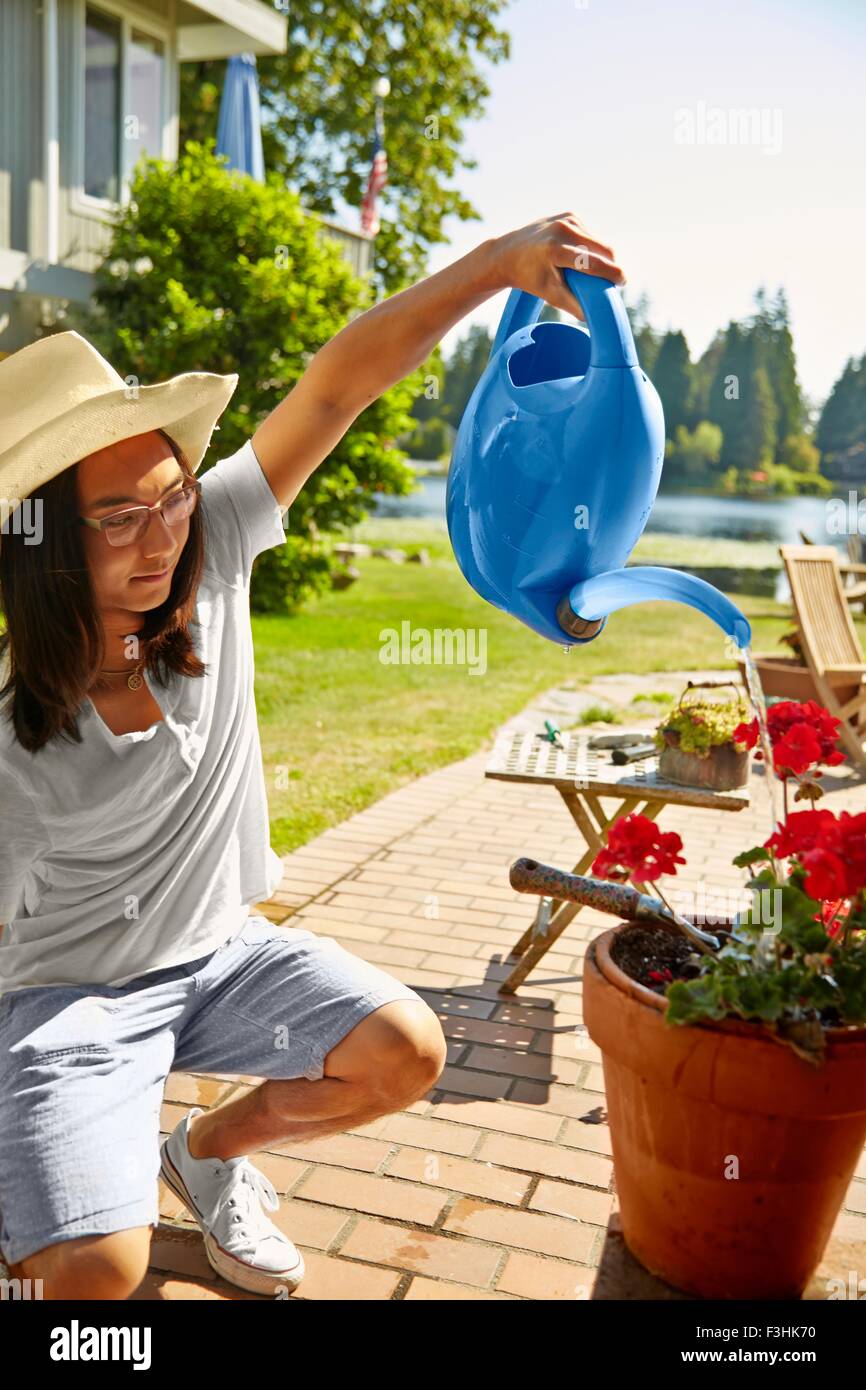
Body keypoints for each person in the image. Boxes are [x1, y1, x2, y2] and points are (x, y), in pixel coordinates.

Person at [0, 213, 626, 1300]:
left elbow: (338, 386)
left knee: (405, 1050)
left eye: (172, 491)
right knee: (92, 1276)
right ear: (45, 538)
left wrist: (496, 265)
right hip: (71, 1001)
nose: (162, 535)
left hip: (217, 955)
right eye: (116, 516)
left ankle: (203, 1153)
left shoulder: (219, 548)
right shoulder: (13, 735)